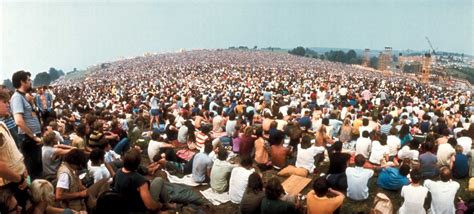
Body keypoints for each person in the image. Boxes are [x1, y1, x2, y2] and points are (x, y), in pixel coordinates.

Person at [113, 149, 174, 213]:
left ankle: (166, 204)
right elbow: (149, 206)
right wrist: (158, 205)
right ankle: (166, 205)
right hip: (139, 209)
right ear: (138, 164)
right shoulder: (139, 180)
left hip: (123, 206)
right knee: (159, 180)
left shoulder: (118, 172)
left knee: (157, 181)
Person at [10, 70, 43, 180]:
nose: (30, 82)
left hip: (33, 138)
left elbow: (32, 113)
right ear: (22, 82)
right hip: (28, 139)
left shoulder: (25, 96)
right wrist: (33, 136)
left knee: (38, 166)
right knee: (33, 169)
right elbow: (19, 121)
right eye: (28, 80)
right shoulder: (17, 98)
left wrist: (32, 102)